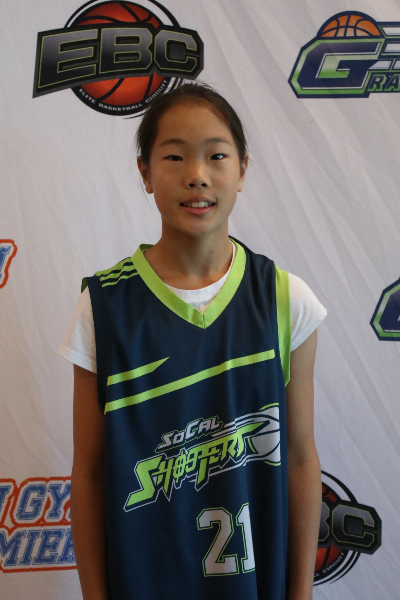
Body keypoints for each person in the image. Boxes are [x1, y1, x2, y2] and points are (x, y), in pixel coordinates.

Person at [59, 82, 326, 600]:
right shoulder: (103, 306)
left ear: (242, 169)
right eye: (175, 156)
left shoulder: (285, 298)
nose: (197, 175)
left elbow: (299, 460)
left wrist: (301, 593)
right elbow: (89, 474)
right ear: (145, 172)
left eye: (216, 156)